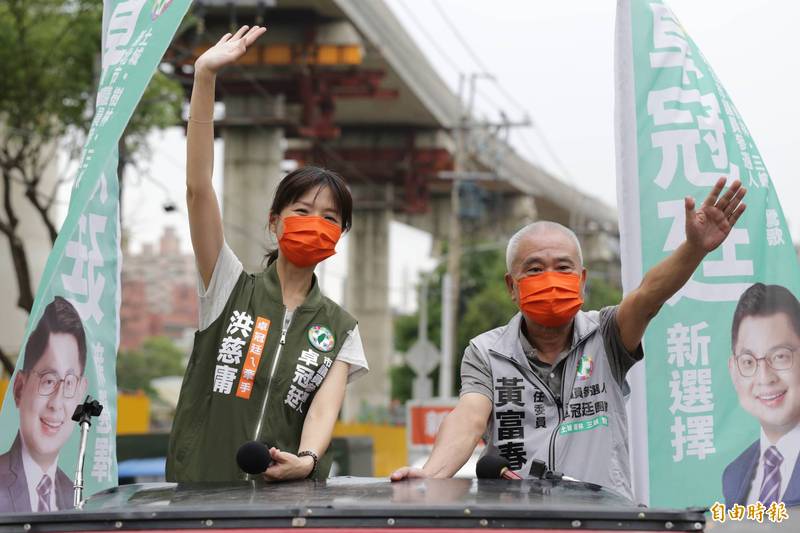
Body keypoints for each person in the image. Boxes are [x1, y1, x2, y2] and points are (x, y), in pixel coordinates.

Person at [391, 179, 747, 501]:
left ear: (582, 280)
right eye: (534, 269)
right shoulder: (486, 352)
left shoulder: (607, 334)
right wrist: (431, 475)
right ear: (511, 286)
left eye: (563, 268)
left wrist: (694, 250)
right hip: (516, 522)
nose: (550, 279)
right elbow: (468, 418)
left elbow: (647, 297)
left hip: (604, 520)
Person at [166, 25, 368, 483]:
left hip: (284, 507)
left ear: (339, 237)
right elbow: (199, 190)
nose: (316, 223)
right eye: (302, 210)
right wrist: (204, 78)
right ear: (274, 221)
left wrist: (309, 461)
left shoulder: (342, 329)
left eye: (331, 218)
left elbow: (322, 413)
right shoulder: (227, 287)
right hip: (201, 499)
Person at [0, 296, 88, 513]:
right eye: (48, 380)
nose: (56, 404)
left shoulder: (76, 498)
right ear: (20, 387)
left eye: (69, 383)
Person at [722, 283, 800, 506]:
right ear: (734, 370)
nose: (765, 377)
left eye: (780, 356)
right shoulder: (734, 475)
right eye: (748, 362)